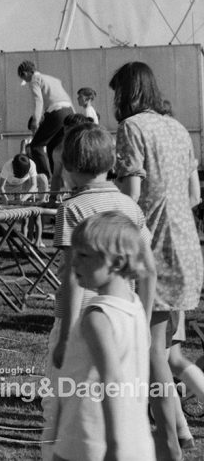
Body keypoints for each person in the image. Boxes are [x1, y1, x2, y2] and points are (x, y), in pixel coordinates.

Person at [40, 124, 155, 460]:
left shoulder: (71, 208)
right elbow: (148, 267)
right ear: (111, 163)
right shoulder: (129, 206)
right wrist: (143, 318)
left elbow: (72, 277)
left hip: (84, 316)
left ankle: (62, 449)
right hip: (125, 310)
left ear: (69, 167)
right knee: (120, 384)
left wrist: (62, 338)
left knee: (66, 390)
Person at [110, 60, 202, 461]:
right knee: (164, 351)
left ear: (127, 93)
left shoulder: (132, 129)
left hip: (154, 248)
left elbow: (131, 197)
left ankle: (168, 444)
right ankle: (178, 431)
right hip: (186, 246)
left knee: (150, 351)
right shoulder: (178, 128)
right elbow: (196, 194)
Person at [51, 212, 154, 461]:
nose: (73, 264)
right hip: (137, 438)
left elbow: (113, 382)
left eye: (84, 256)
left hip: (91, 443)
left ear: (116, 262)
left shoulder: (98, 317)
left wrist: (114, 446)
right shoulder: (134, 305)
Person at [17, 60, 74, 197]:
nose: (26, 80)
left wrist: (36, 120)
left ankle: (46, 179)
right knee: (53, 148)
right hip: (68, 111)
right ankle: (58, 182)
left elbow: (39, 100)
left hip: (56, 111)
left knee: (35, 146)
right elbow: (66, 97)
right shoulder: (53, 79)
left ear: (25, 73)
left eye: (23, 78)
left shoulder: (34, 79)